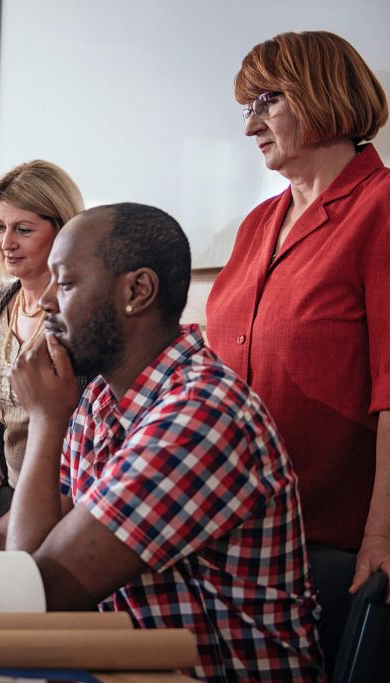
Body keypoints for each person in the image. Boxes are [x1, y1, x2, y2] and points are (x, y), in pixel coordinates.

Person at [0, 204, 321, 681]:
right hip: (123, 664)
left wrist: (46, 419)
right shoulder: (99, 399)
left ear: (137, 291)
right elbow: (7, 535)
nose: (45, 301)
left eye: (65, 284)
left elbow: (37, 588)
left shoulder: (200, 413)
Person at [206, 32, 389, 610]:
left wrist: (382, 535)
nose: (250, 126)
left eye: (268, 102)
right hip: (233, 531)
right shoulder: (258, 222)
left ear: (324, 96)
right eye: (247, 108)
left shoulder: (382, 207)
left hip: (330, 541)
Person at [0, 160, 85, 494]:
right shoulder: (1, 302)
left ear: (63, 230)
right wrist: (2, 468)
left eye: (23, 230)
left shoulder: (81, 309)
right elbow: (2, 414)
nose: (6, 242)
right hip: (14, 489)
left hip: (64, 497)